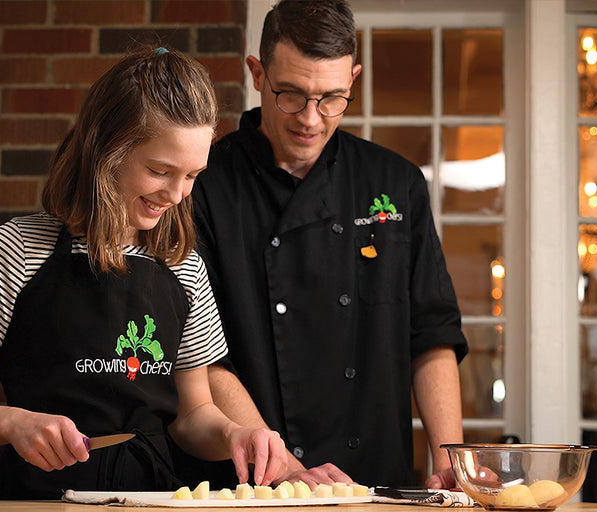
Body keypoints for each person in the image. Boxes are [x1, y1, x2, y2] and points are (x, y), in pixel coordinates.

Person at [0, 45, 288, 500]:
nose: (177, 194)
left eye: (193, 175)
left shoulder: (182, 264)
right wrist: (12, 422)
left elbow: (193, 417)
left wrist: (234, 435)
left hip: (153, 500)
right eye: (160, 170)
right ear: (106, 150)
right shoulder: (16, 249)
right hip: (39, 499)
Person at [190, 0, 468, 490]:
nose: (311, 119)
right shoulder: (204, 186)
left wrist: (450, 461)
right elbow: (203, 355)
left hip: (375, 478)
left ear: (353, 81)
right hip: (251, 482)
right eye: (292, 95)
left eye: (333, 98)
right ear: (257, 73)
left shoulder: (395, 182)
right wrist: (291, 474)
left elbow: (432, 333)